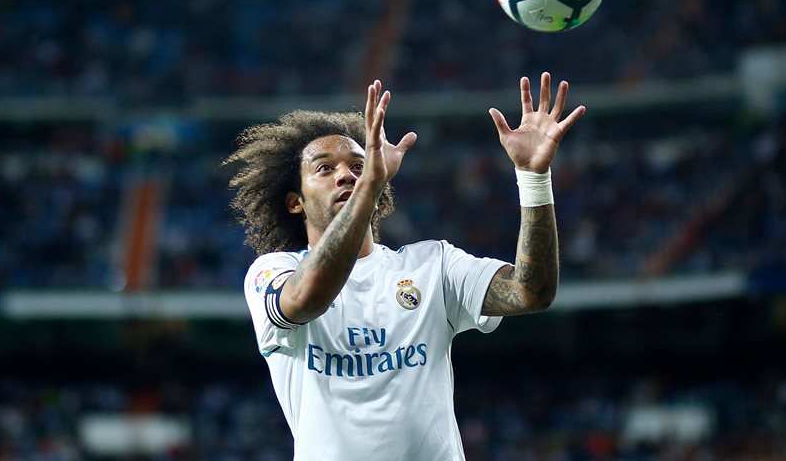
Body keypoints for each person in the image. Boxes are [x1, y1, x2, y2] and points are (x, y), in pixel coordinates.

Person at [227, 72, 585, 460]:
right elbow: (307, 299)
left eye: (358, 165)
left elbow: (531, 292)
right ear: (295, 202)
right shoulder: (271, 273)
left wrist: (533, 177)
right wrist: (369, 184)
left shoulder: (434, 265)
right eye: (325, 169)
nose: (347, 174)